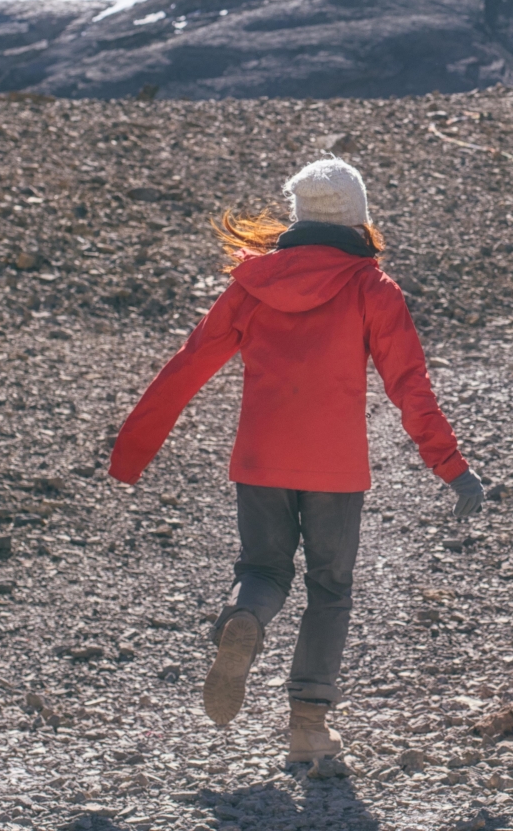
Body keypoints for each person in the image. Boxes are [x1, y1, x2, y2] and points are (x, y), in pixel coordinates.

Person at [107, 157, 484, 766]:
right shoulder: (371, 288)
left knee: (263, 570)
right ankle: (308, 729)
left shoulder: (252, 285)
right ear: (358, 216)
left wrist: (130, 455)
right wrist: (452, 468)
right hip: (335, 470)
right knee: (329, 589)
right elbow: (410, 386)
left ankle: (246, 618)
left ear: (299, 214)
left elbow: (187, 367)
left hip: (259, 460)